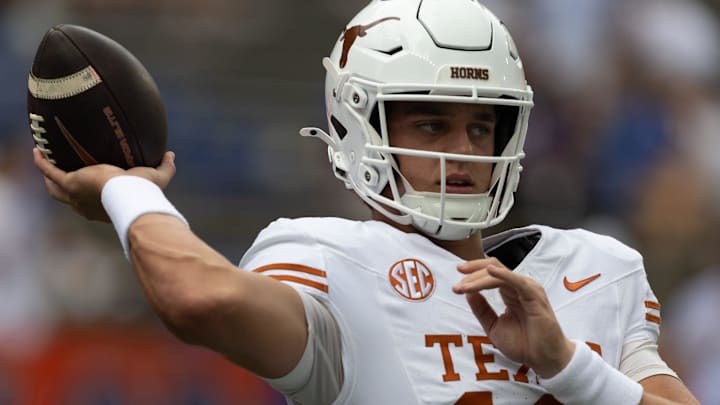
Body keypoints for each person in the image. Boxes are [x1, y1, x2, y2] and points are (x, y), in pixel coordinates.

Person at [33, 0, 699, 404]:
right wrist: (128, 189)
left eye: (480, 126)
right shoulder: (335, 260)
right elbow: (198, 297)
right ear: (361, 128)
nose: (463, 150)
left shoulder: (594, 266)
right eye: (432, 125)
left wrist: (569, 365)